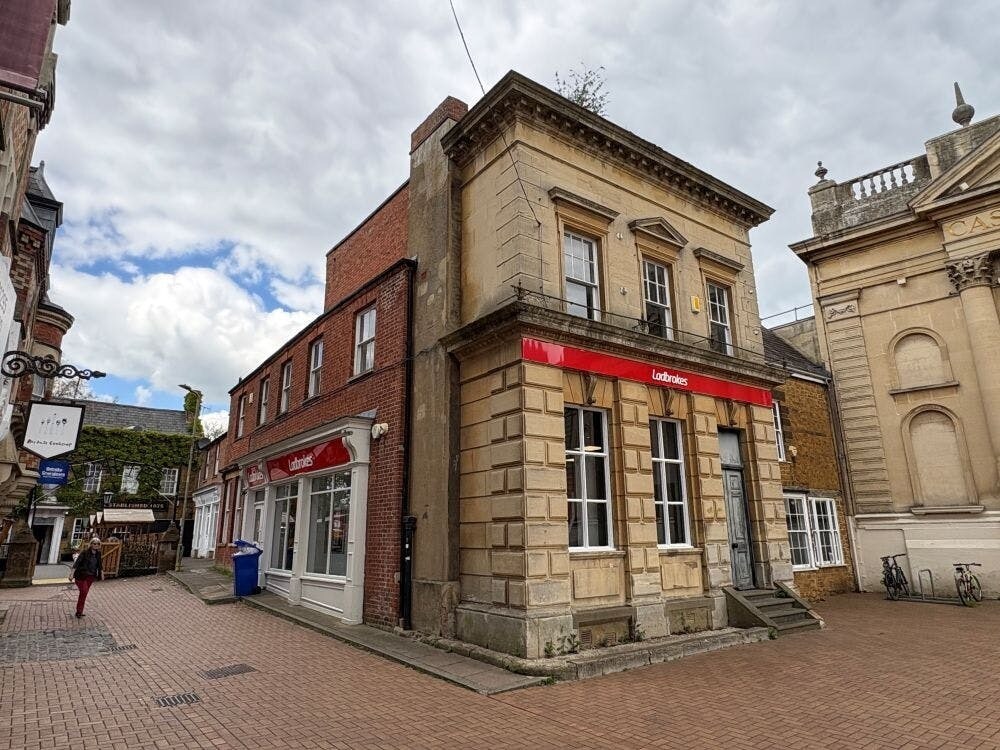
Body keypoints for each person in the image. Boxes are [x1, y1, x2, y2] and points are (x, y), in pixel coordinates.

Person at [70, 536, 104, 618]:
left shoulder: (98, 554)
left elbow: (99, 565)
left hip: (90, 577)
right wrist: (71, 574)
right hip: (81, 576)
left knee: (84, 594)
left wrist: (102, 574)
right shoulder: (85, 552)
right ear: (91, 544)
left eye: (98, 544)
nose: (96, 545)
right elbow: (76, 563)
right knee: (84, 592)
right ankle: (79, 611)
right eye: (94, 543)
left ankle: (79, 611)